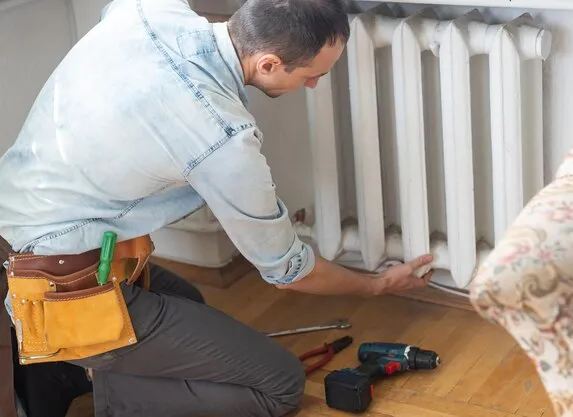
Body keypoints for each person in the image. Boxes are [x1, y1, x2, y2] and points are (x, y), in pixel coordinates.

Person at [0, 0, 435, 416]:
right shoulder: (223, 139)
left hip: (19, 234)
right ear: (267, 63)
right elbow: (287, 270)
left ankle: (73, 368)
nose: (314, 86)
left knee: (187, 299)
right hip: (57, 282)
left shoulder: (146, 11)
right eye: (310, 76)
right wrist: (377, 286)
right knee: (281, 384)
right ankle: (98, 386)